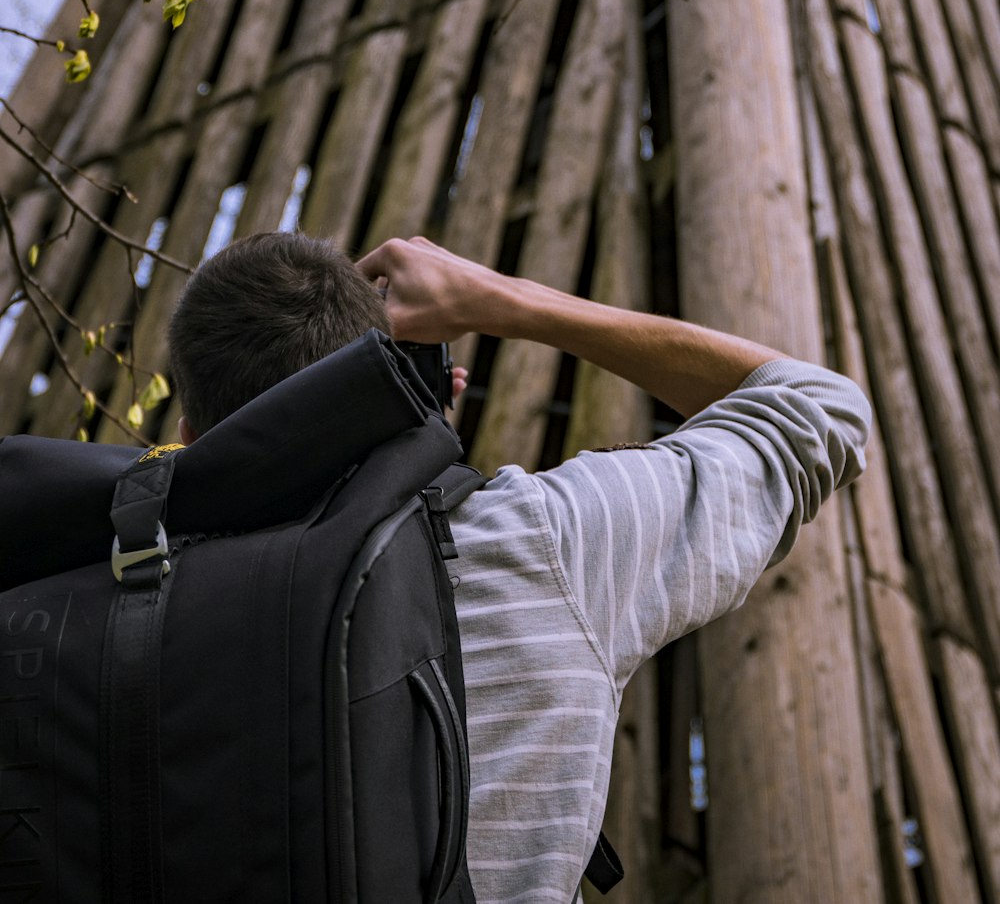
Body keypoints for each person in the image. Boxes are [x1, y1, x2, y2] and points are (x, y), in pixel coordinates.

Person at [169, 230, 870, 904]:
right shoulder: (542, 542)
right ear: (429, 390)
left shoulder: (119, 611)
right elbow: (821, 408)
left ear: (188, 439)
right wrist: (500, 298)